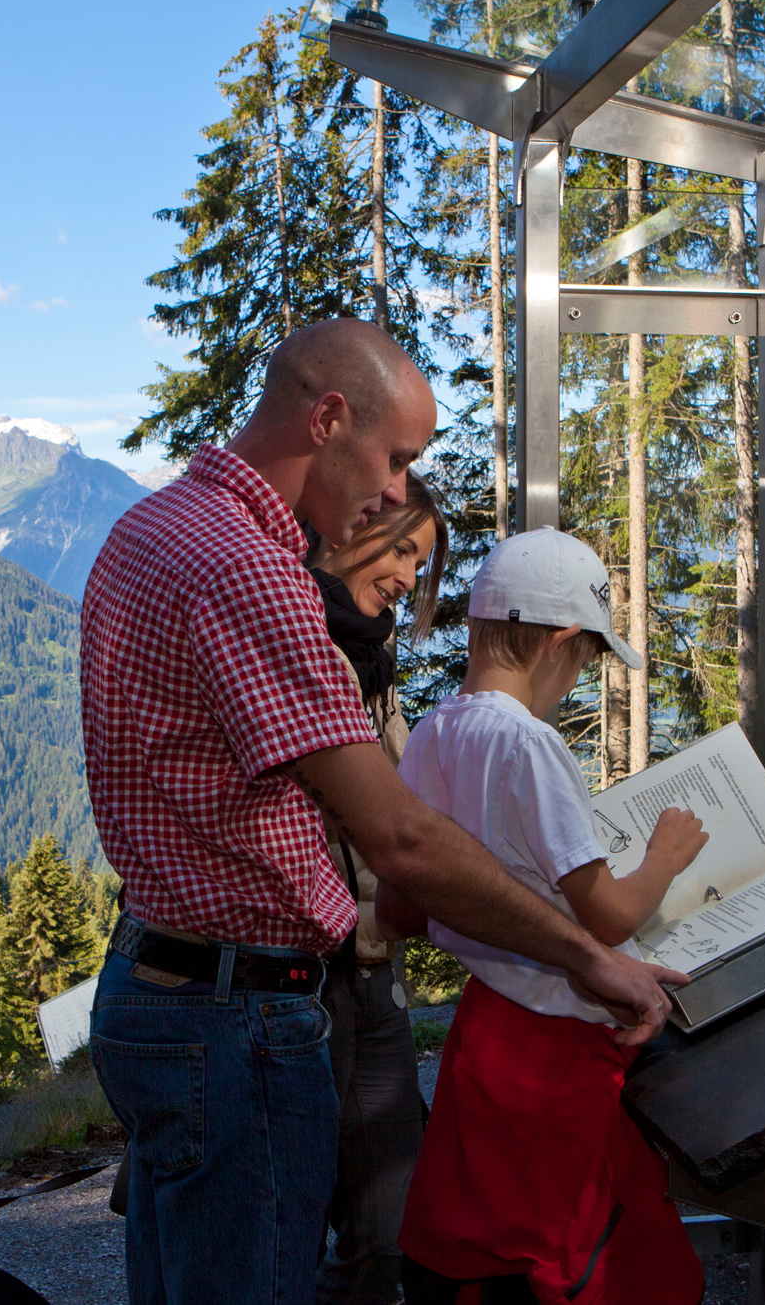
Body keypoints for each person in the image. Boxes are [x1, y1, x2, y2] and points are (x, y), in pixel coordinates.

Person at [79, 318, 685, 1305]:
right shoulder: (247, 568)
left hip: (155, 977)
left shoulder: (149, 527)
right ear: (328, 418)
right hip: (235, 1013)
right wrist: (587, 954)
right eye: (396, 457)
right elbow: (399, 835)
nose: (399, 492)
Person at [387, 528, 711, 1305]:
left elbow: (401, 905)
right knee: (567, 1242)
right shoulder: (530, 745)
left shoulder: (433, 732)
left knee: (486, 1231)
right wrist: (665, 856)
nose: (577, 681)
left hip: (486, 1031)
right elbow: (608, 915)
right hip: (561, 1044)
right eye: (587, 660)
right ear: (561, 641)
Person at [307, 473, 448, 1304]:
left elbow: (400, 795)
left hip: (370, 961)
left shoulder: (369, 653)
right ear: (352, 525)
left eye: (420, 562)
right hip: (309, 970)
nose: (407, 576)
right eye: (401, 549)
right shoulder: (301, 641)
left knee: (387, 1225)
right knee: (296, 1218)